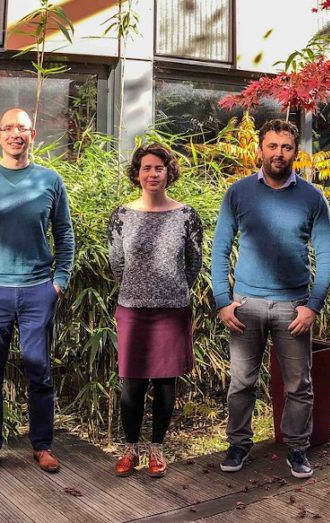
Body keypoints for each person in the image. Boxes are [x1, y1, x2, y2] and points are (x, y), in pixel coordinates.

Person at [211, 119, 330, 477]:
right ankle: (238, 444)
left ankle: (297, 448)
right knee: (241, 382)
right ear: (260, 149)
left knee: (299, 384)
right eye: (272, 146)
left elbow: (326, 255)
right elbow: (220, 249)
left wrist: (312, 306)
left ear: (295, 151)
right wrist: (222, 299)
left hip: (292, 307)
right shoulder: (238, 192)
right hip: (245, 306)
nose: (278, 153)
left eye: (286, 147)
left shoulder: (312, 197)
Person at [0, 108, 75, 476]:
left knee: (40, 373)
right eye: (9, 128)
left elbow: (65, 234)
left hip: (38, 290)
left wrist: (60, 282)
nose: (15, 134)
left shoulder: (50, 180)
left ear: (33, 135)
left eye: (22, 128)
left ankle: (42, 446)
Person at [108, 143, 203, 478]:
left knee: (165, 384)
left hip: (172, 310)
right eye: (146, 168)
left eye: (158, 168)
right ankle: (130, 449)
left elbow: (193, 263)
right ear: (137, 173)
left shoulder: (186, 215)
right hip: (132, 309)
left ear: (168, 172)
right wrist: (138, 287)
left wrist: (171, 288)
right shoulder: (122, 215)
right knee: (131, 385)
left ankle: (157, 451)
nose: (152, 174)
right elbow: (117, 263)